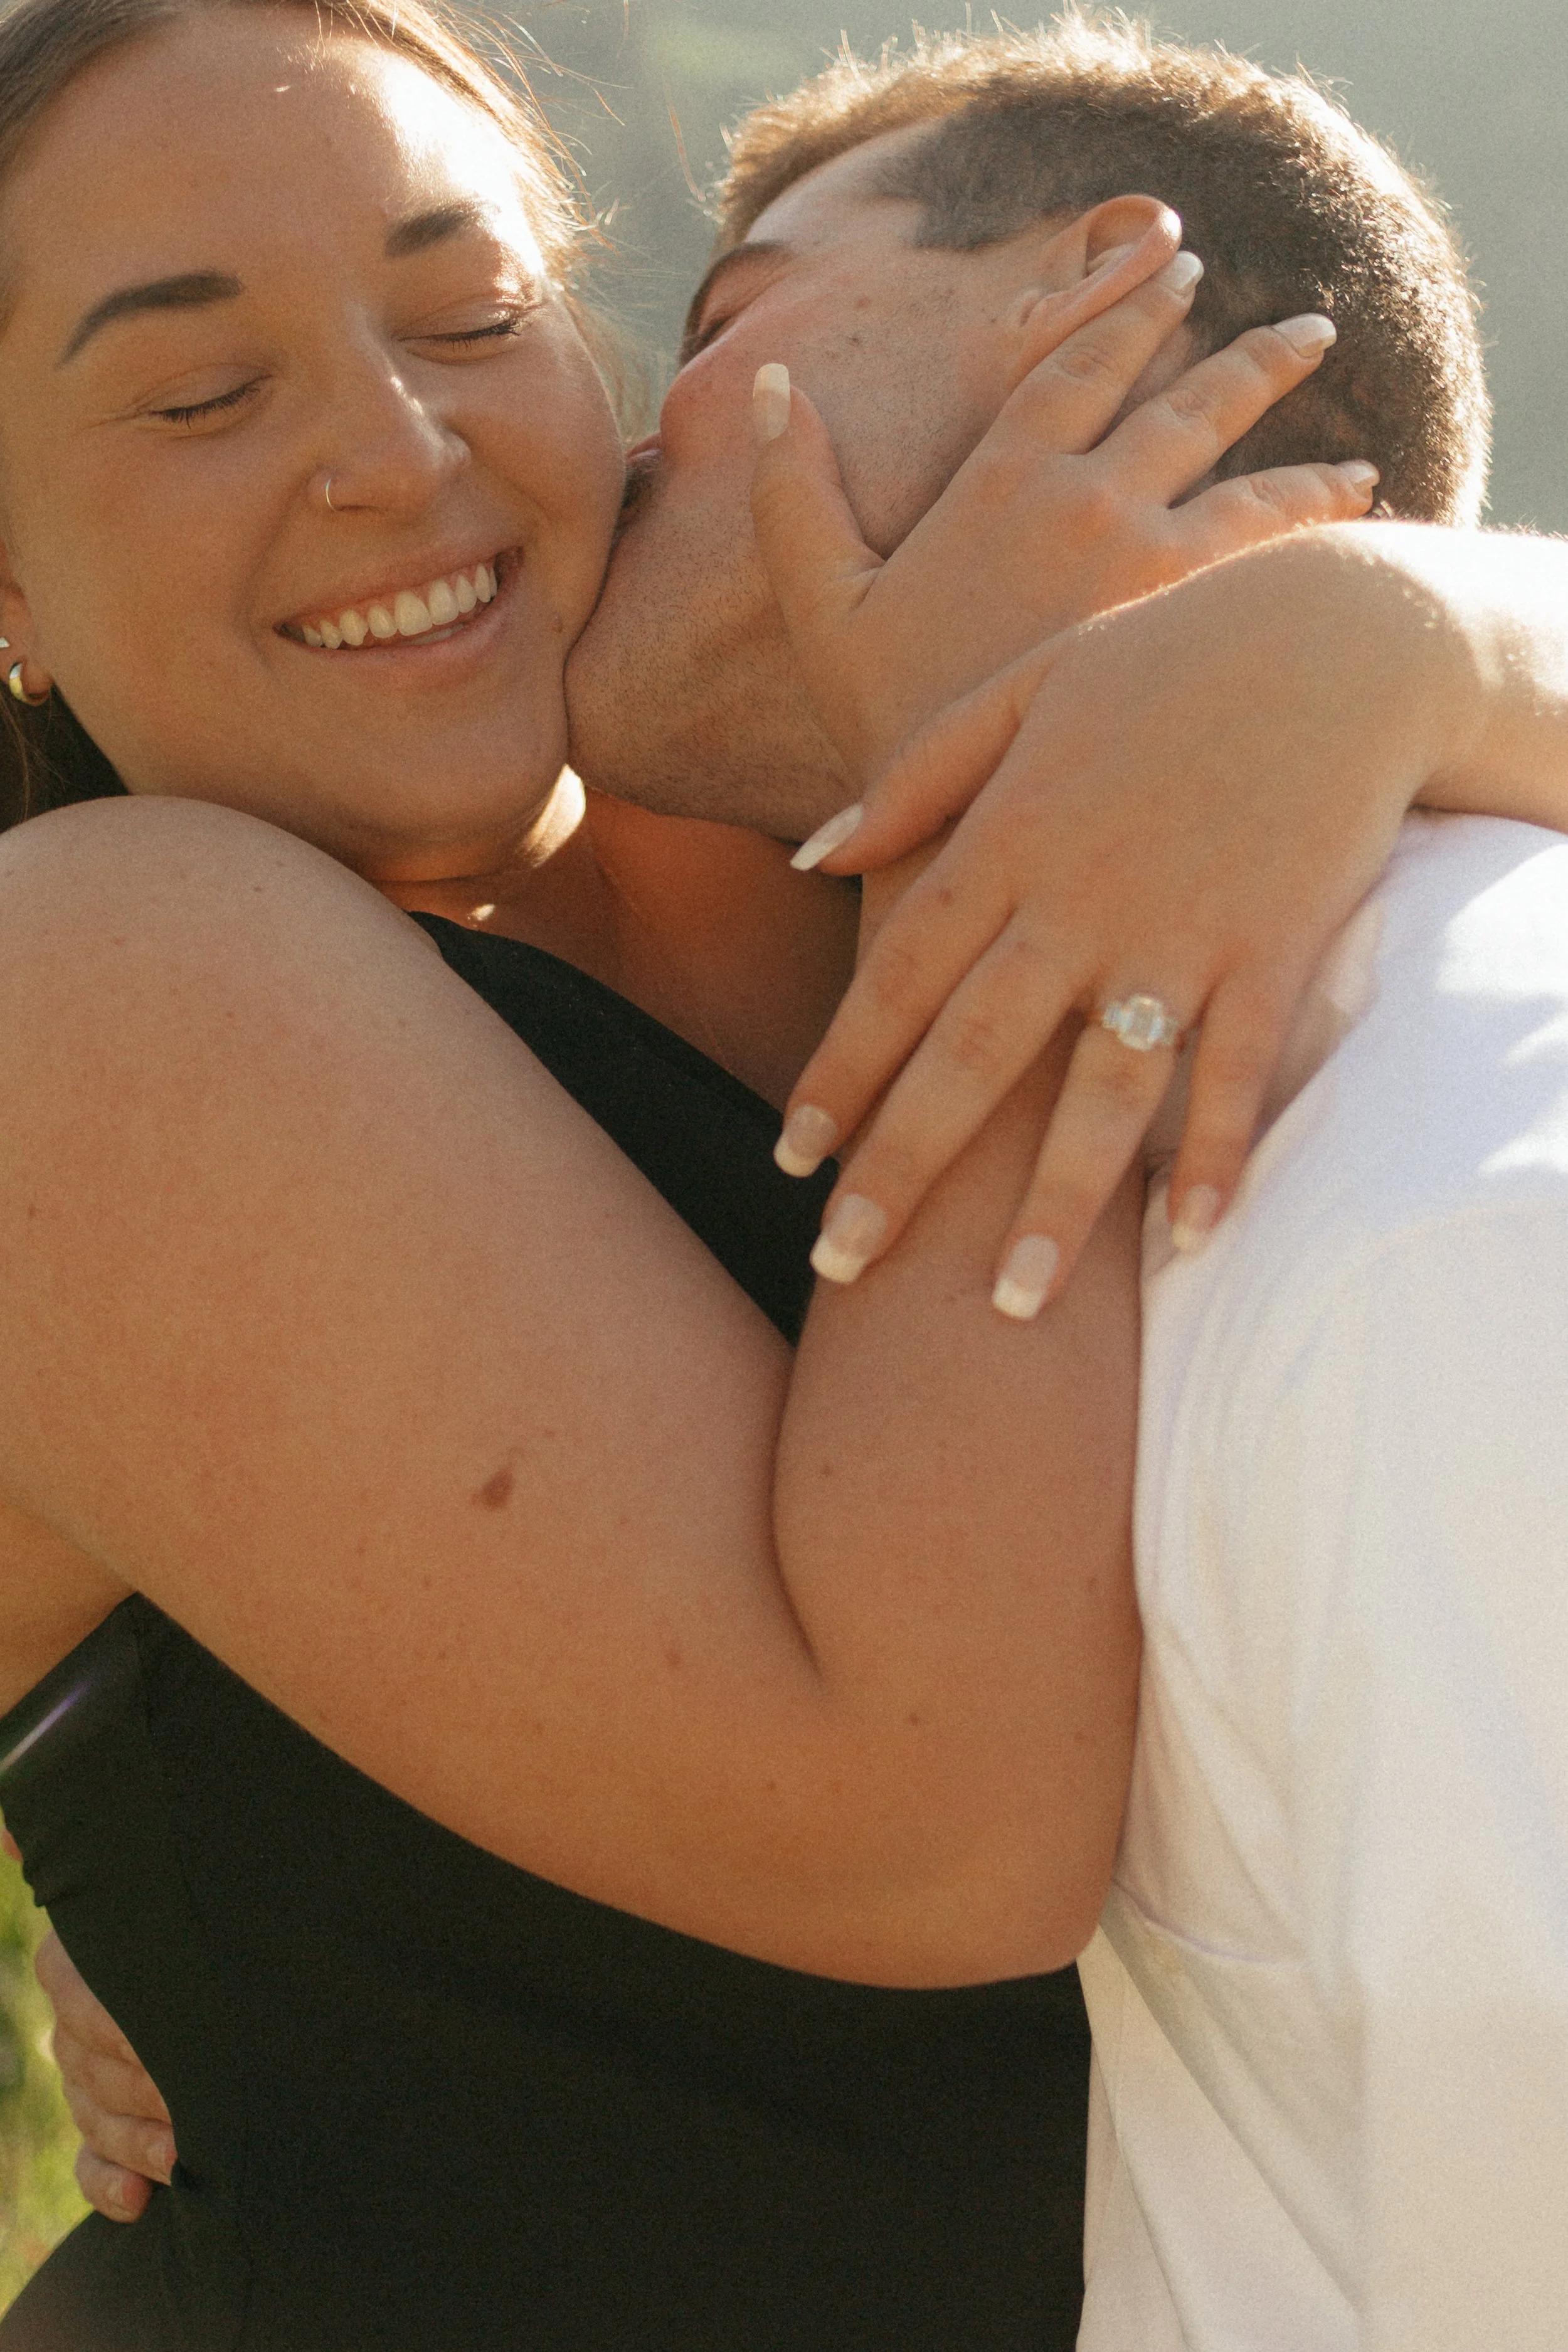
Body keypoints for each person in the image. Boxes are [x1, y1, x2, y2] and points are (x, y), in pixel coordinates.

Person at [9, 10, 1567, 2349]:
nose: (397, 450)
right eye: (198, 395)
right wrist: (1004, 792)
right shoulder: (89, 973)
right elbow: (931, 1822)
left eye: (472, 320)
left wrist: (1398, 626)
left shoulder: (768, 802)